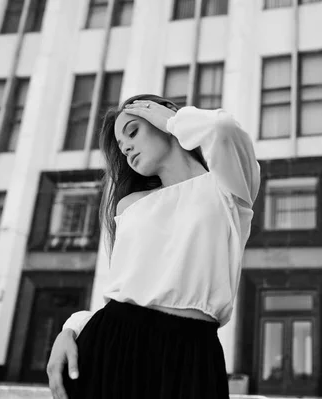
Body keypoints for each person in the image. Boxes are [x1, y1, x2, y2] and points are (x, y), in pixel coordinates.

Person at [45, 94, 261, 399]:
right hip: (113, 347)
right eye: (121, 146)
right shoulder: (130, 205)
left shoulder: (227, 188)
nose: (127, 147)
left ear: (163, 119)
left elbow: (222, 127)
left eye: (132, 132)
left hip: (193, 353)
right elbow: (123, 292)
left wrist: (171, 120)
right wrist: (72, 327)